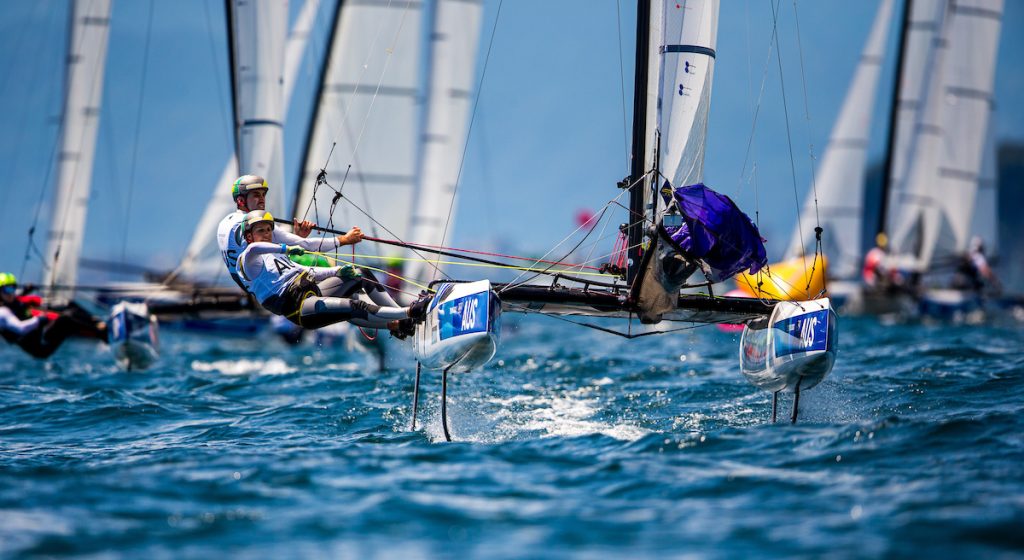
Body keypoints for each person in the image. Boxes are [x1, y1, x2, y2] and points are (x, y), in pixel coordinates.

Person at [235, 212, 429, 337]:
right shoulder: (247, 261)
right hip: (302, 309)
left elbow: (307, 271)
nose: (267, 234)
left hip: (313, 291)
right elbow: (255, 249)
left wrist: (337, 271)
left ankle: (402, 322)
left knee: (360, 274)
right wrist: (286, 248)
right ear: (249, 236)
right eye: (261, 230)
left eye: (269, 230)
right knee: (354, 305)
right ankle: (410, 312)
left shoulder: (276, 256)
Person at [217, 174, 364, 289]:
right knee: (349, 275)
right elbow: (305, 245)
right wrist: (345, 239)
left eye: (263, 195)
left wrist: (296, 236)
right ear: (241, 201)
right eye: (256, 195)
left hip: (255, 285)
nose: (262, 199)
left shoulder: (224, 224)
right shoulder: (254, 223)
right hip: (273, 286)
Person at [0, 273, 106, 359]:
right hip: (40, 347)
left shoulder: (12, 300)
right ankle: (102, 334)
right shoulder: (2, 313)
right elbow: (20, 328)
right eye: (7, 289)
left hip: (42, 334)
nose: (11, 292)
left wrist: (25, 290)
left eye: (13, 288)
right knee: (65, 319)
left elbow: (15, 300)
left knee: (67, 304)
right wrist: (39, 319)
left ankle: (97, 323)